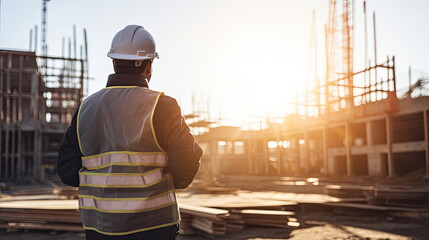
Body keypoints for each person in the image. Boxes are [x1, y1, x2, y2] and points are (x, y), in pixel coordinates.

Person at [57, 25, 202, 240]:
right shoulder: (162, 105)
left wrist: (105, 189)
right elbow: (187, 160)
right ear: (148, 65)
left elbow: (67, 170)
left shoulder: (85, 109)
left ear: (114, 62)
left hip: (100, 227)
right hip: (154, 226)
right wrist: (169, 182)